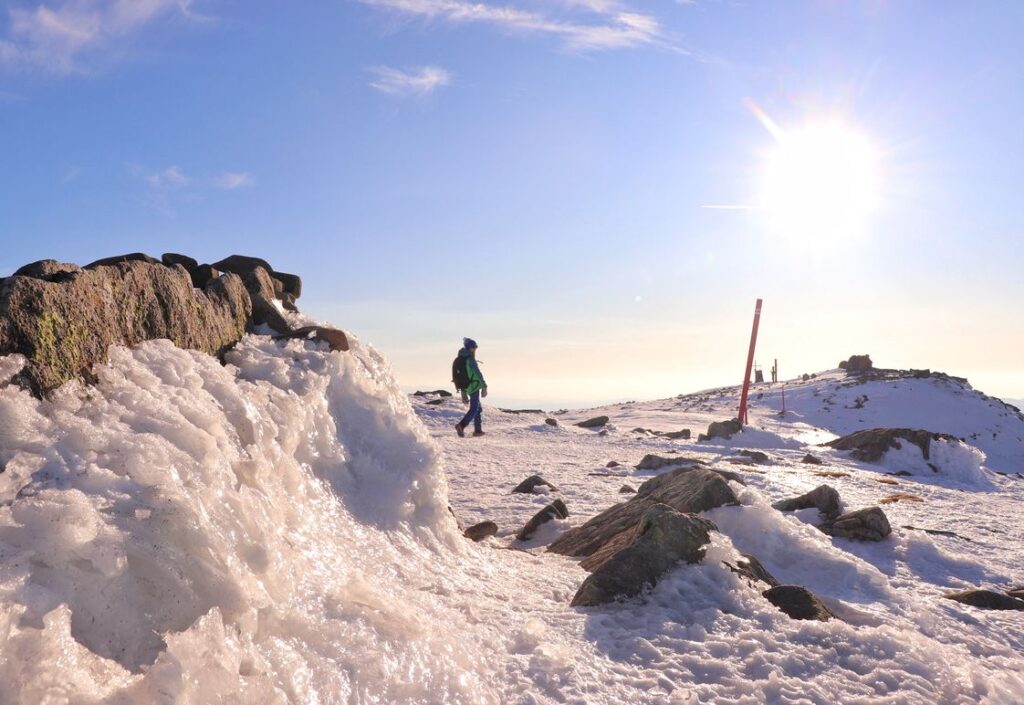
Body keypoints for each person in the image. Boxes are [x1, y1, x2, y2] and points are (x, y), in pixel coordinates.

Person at [455, 337, 487, 437]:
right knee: (474, 408)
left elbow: (460, 377)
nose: (474, 350)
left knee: (478, 408)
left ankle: (478, 430)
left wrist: (463, 392)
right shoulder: (470, 359)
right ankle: (461, 425)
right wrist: (484, 386)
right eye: (473, 348)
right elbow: (477, 373)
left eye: (475, 348)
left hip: (468, 387)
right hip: (474, 386)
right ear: (470, 348)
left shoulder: (461, 359)